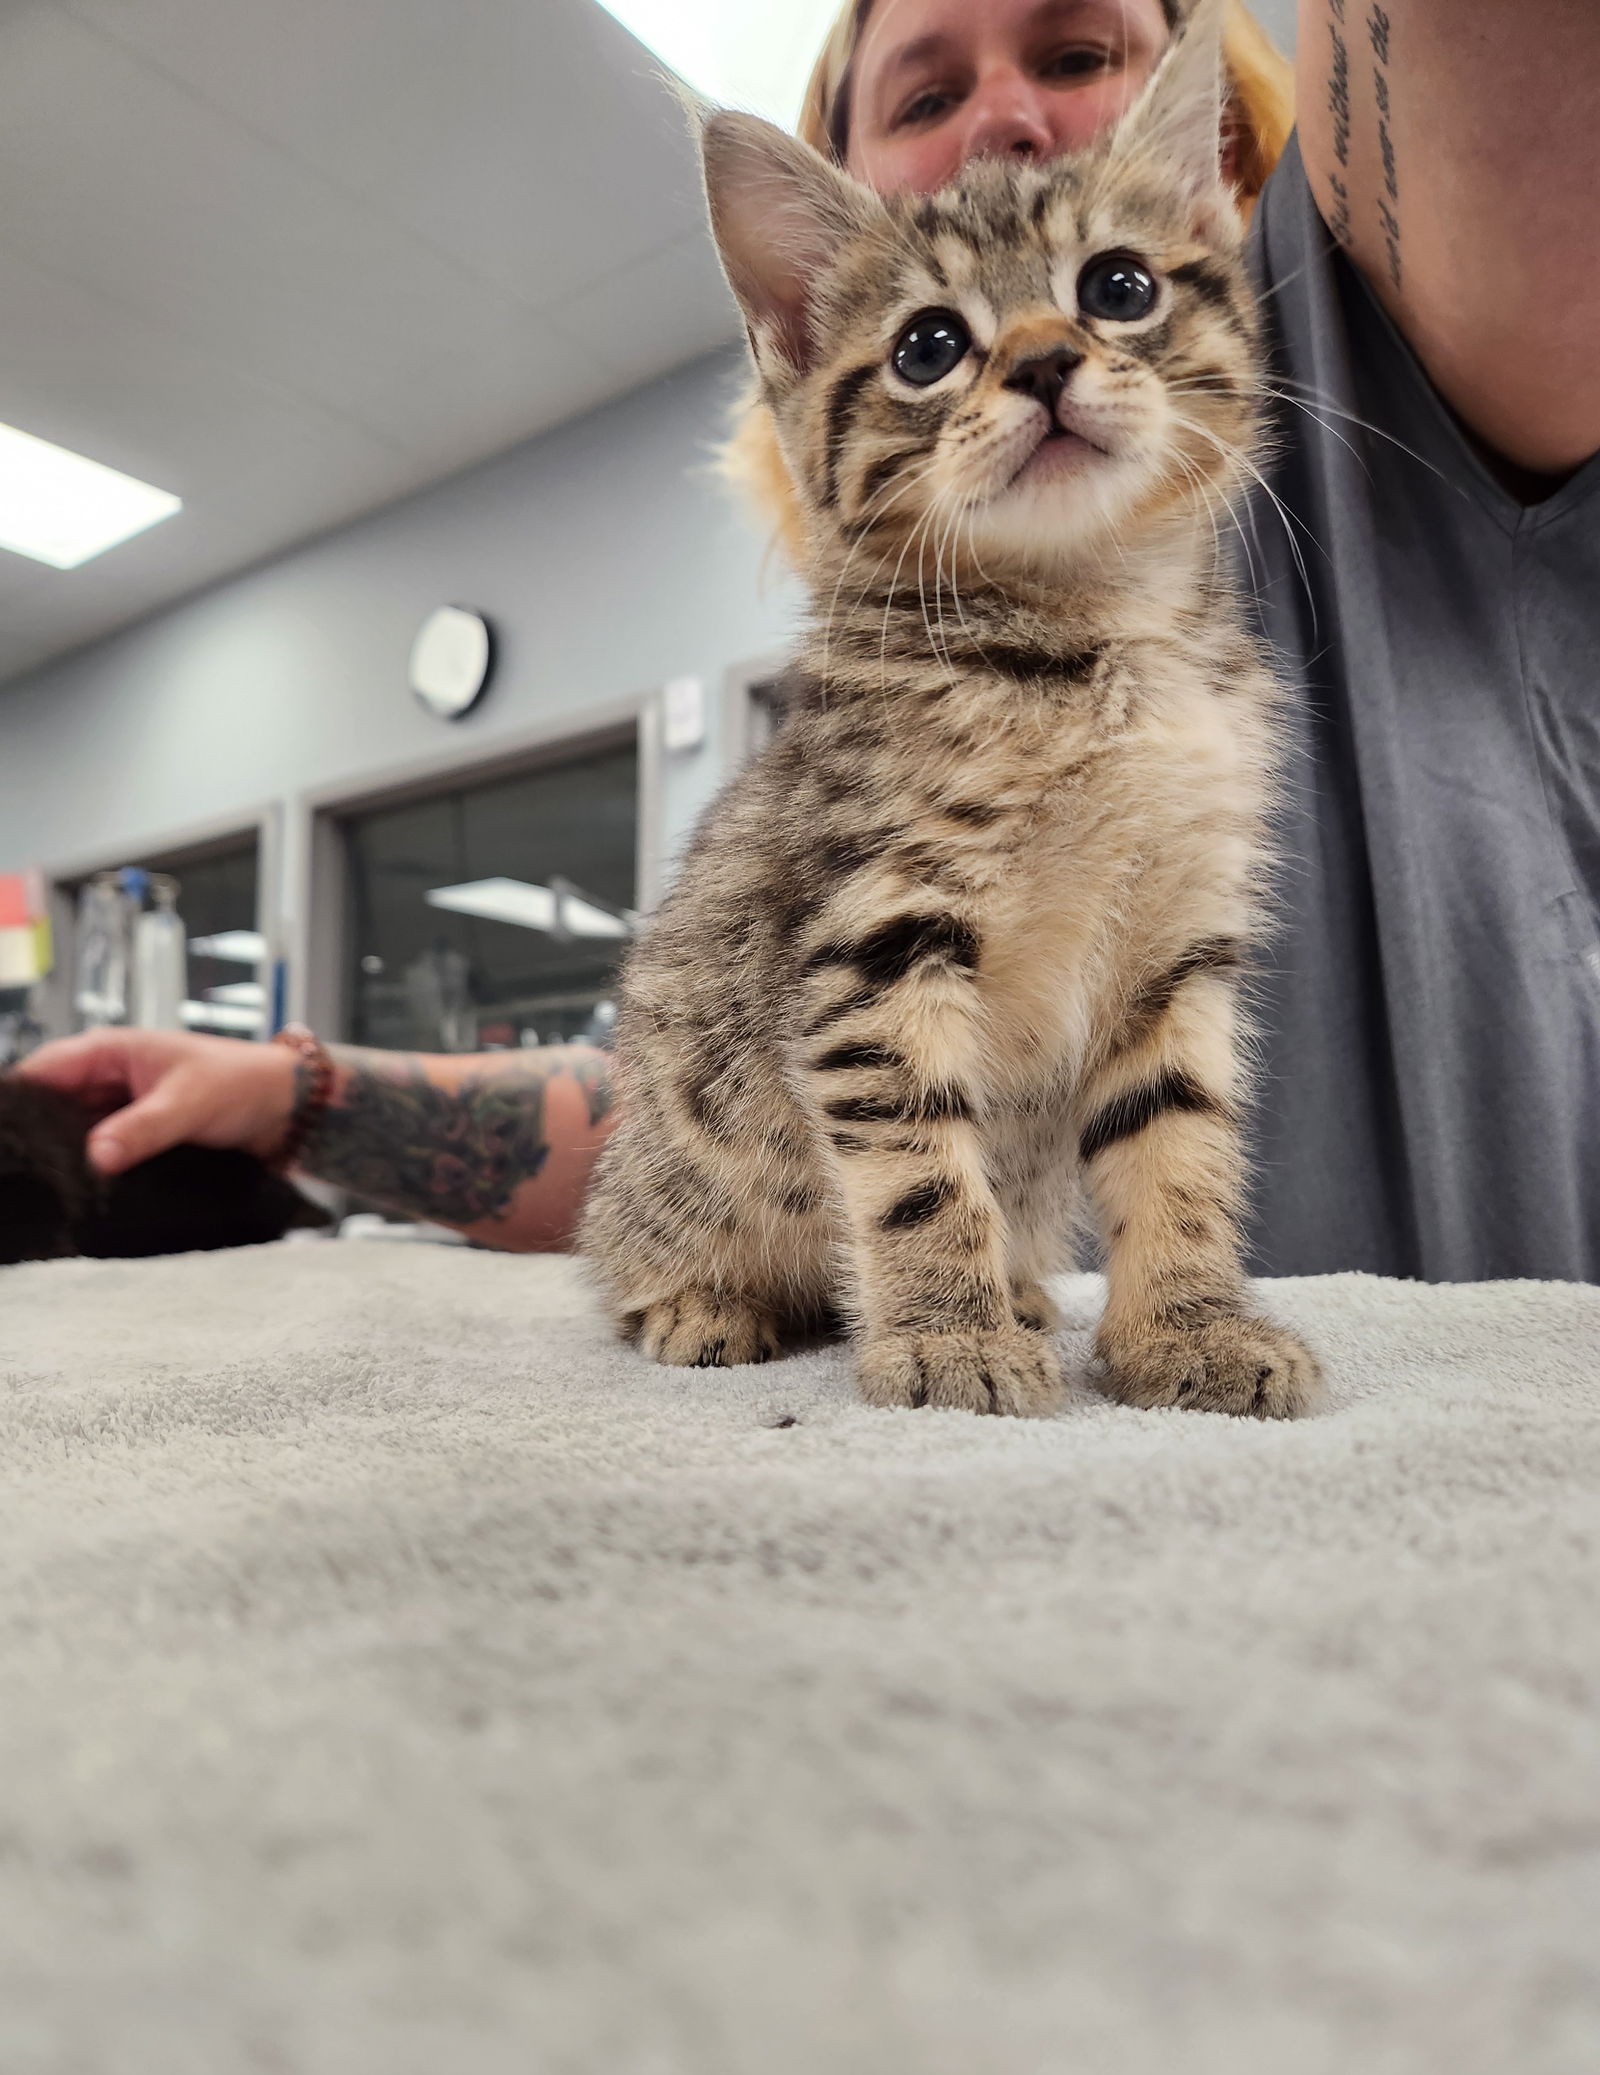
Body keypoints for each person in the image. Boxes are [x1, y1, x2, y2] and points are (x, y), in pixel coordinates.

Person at [19, 0, 1600, 1280]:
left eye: (1077, 54)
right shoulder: (890, 672)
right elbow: (720, 1089)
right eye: (922, 99)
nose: (1000, 123)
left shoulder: (1386, 342)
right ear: (802, 332)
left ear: (1224, 174)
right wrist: (302, 1089)